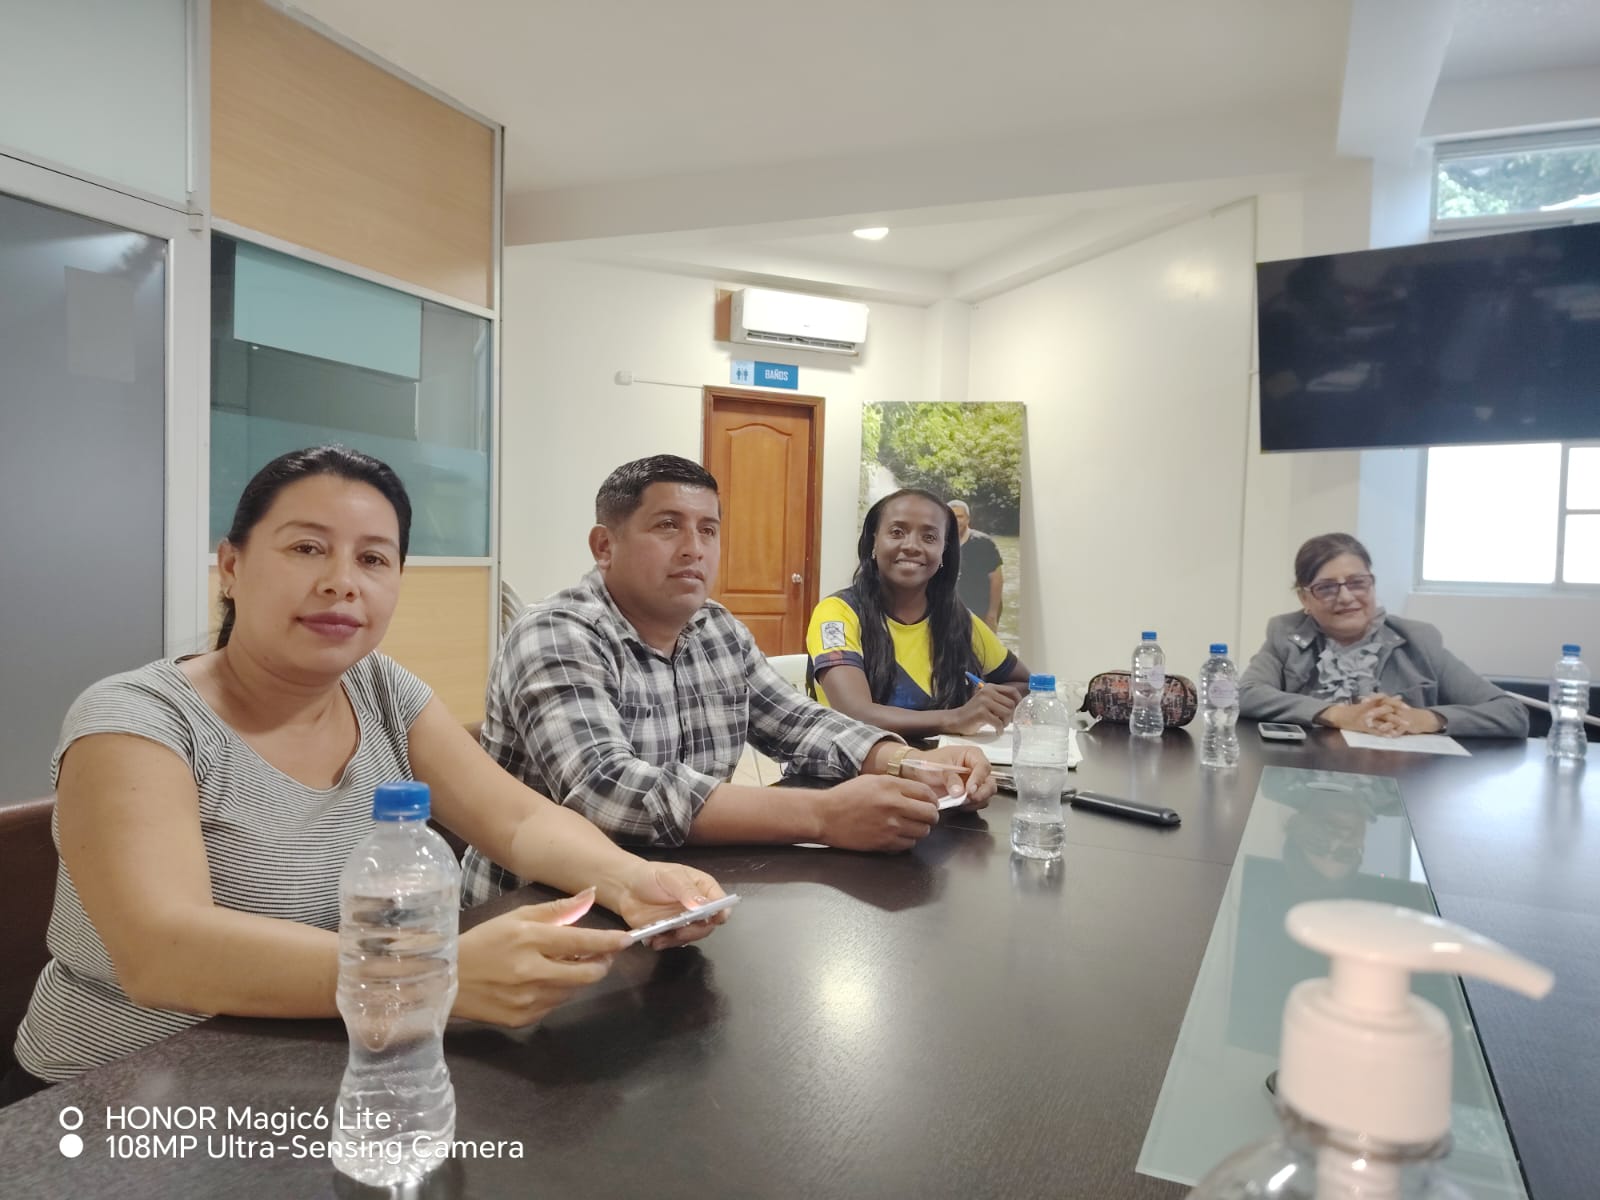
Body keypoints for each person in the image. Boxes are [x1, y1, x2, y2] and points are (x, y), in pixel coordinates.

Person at [4, 447, 728, 1103]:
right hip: (116, 1099)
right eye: (307, 548)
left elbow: (518, 819)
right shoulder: (134, 719)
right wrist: (430, 977)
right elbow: (163, 953)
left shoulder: (380, 688)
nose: (341, 583)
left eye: (374, 559)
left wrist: (631, 879)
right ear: (231, 566)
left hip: (324, 1063)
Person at [460, 457, 994, 908]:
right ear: (604, 546)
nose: (693, 548)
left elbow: (798, 722)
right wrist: (823, 816)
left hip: (682, 894)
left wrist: (908, 763)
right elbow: (607, 791)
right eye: (668, 526)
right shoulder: (556, 633)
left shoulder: (715, 628)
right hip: (540, 910)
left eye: (708, 530)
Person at [1238, 532, 1529, 738]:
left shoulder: (1418, 640)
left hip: (1401, 781)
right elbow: (1245, 693)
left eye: (1357, 583)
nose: (1346, 597)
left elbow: (1511, 713)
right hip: (1307, 776)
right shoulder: (1286, 634)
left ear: (1372, 585)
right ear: (1305, 599)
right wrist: (1337, 714)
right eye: (1326, 588)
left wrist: (1426, 719)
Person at [806, 489, 1030, 739]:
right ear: (874, 542)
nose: (912, 546)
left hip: (950, 761)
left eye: (929, 537)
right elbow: (855, 713)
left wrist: (988, 704)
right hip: (849, 761)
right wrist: (957, 717)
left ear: (944, 551)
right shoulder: (836, 613)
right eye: (897, 532)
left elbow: (1024, 684)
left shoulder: (960, 621)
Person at [948, 499, 1003, 630]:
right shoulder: (940, 544)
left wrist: (992, 614)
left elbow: (997, 579)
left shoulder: (984, 543)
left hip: (979, 612)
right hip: (950, 614)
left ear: (968, 519)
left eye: (960, 516)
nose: (956, 521)